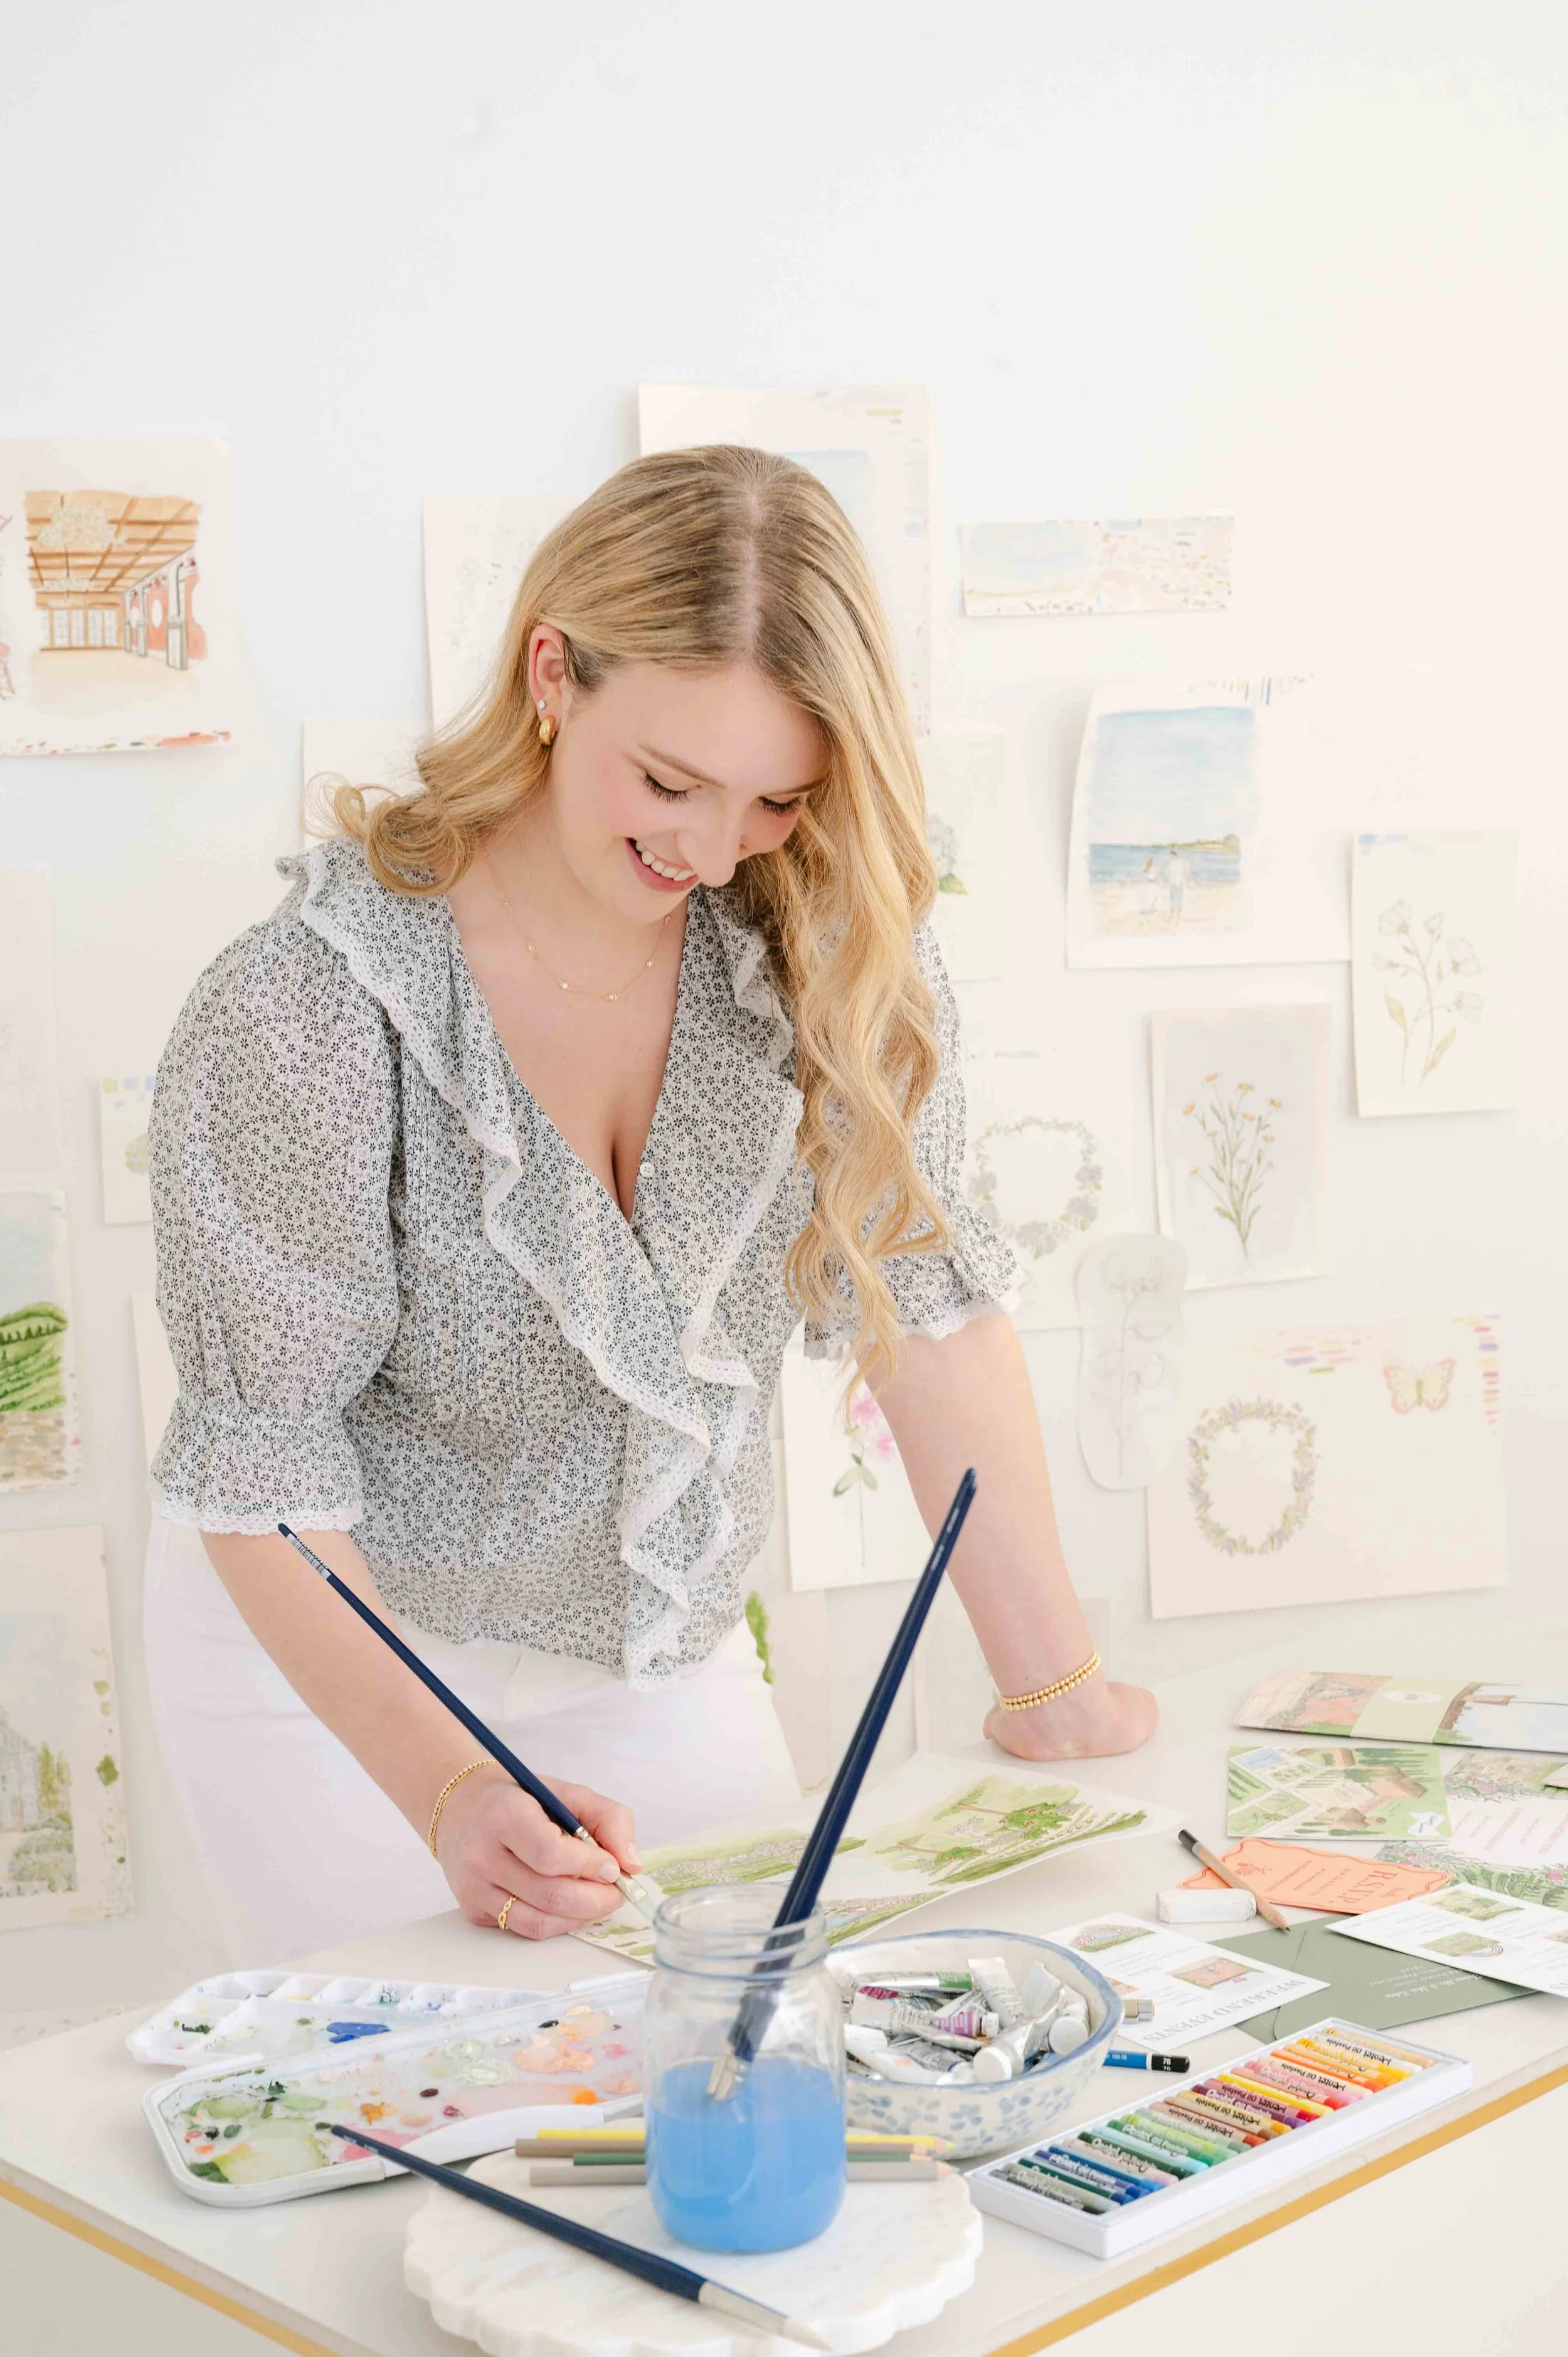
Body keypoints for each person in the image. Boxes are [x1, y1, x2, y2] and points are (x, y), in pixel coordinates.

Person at [144, 447, 1157, 1966]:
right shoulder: (308, 1003)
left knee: (745, 2024)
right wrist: (453, 1792)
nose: (708, 847)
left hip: (652, 1648)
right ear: (551, 672)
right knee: (461, 2069)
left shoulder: (827, 954)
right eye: (669, 781)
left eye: (775, 799)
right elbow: (268, 1471)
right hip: (341, 1656)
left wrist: (1052, 1689)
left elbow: (929, 1315)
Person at [1165, 845, 1190, 924]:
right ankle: (1175, 916)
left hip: (1176, 883)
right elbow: (1186, 873)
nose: (1170, 857)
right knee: (1177, 899)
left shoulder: (1172, 863)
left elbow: (1167, 874)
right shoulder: (1181, 863)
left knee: (1175, 899)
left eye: (1171, 855)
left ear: (1174, 855)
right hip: (1176, 883)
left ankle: (1174, 916)